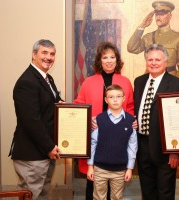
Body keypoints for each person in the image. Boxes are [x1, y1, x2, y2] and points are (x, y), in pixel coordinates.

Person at [73, 41, 134, 200]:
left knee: (115, 190)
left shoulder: (125, 82)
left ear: (117, 59)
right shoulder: (89, 82)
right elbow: (79, 107)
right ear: (100, 61)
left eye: (112, 57)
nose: (109, 60)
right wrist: (88, 121)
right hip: (95, 140)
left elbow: (130, 108)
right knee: (93, 187)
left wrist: (133, 122)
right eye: (105, 57)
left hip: (117, 142)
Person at [9, 39, 64, 200]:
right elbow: (31, 120)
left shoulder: (47, 78)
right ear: (34, 55)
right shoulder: (27, 82)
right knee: (31, 195)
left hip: (45, 152)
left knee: (42, 195)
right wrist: (49, 146)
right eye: (44, 53)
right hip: (32, 155)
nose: (49, 57)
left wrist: (62, 105)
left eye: (52, 54)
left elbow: (52, 102)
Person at [134, 44, 179, 200]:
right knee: (147, 191)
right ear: (146, 61)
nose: (154, 63)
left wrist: (175, 152)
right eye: (150, 59)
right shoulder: (139, 81)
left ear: (166, 61)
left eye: (158, 59)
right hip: (142, 145)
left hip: (165, 149)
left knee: (165, 193)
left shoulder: (178, 84)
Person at [87, 84, 137, 200]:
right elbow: (93, 143)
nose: (115, 100)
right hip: (100, 169)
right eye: (111, 97)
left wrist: (129, 168)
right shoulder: (99, 119)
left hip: (119, 170)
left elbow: (132, 147)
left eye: (118, 96)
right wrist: (90, 166)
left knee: (117, 197)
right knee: (99, 197)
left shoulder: (130, 121)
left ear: (124, 99)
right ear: (106, 100)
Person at [127, 0, 179, 82]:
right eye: (157, 14)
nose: (158, 17)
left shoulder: (178, 38)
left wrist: (177, 86)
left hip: (169, 80)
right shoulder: (148, 37)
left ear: (170, 15)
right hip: (150, 79)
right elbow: (131, 48)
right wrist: (142, 26)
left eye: (162, 14)